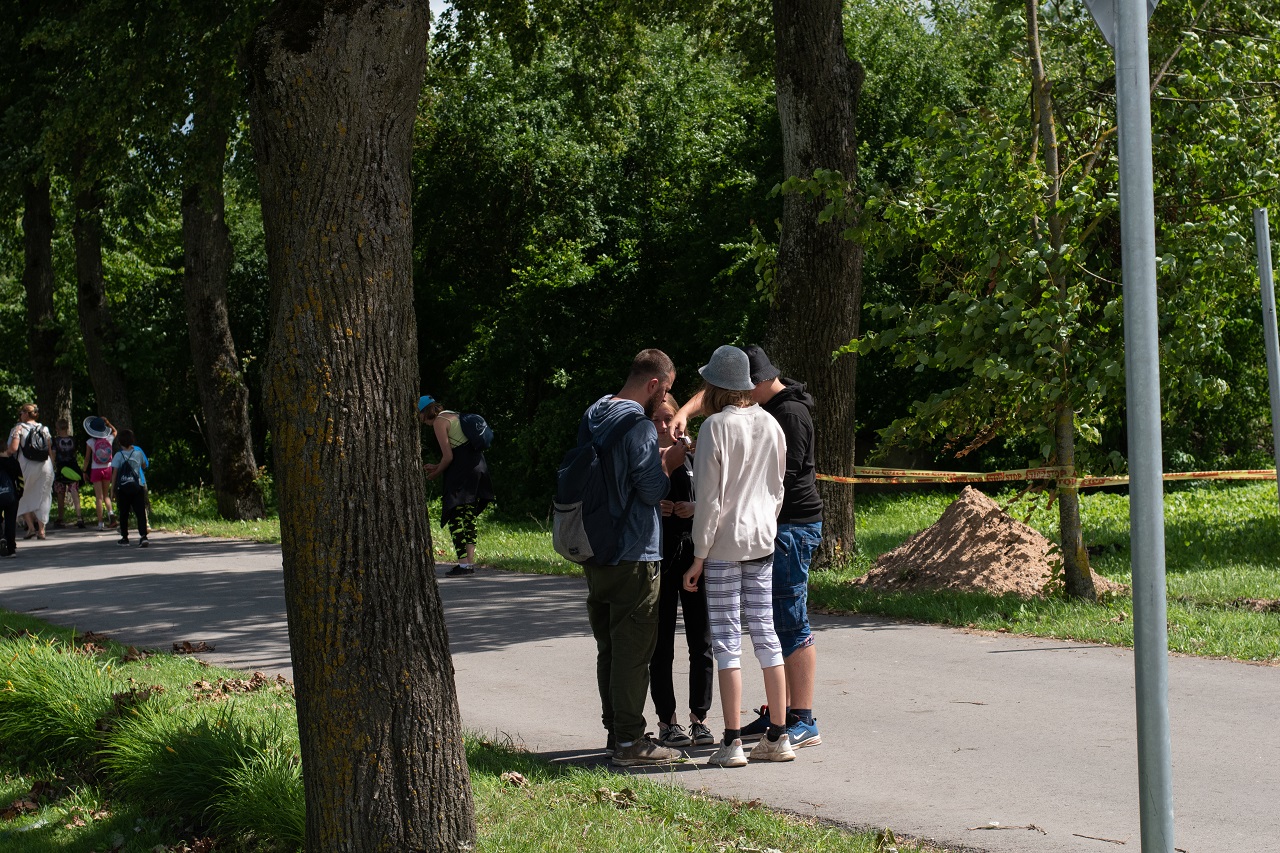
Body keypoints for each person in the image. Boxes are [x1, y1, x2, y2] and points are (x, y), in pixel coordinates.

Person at [671, 344, 824, 749]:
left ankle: (735, 740)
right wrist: (764, 526)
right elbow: (775, 490)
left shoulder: (719, 427)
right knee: (767, 634)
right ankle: (779, 732)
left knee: (732, 639)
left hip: (732, 543)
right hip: (765, 539)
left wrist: (699, 556)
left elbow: (711, 501)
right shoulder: (771, 421)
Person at [576, 348, 686, 767]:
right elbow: (651, 490)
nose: (665, 399)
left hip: (594, 547)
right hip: (634, 552)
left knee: (609, 646)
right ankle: (630, 741)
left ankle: (615, 732)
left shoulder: (595, 411)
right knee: (633, 651)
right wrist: (669, 463)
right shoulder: (639, 426)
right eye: (666, 390)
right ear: (654, 384)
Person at [648, 393, 714, 749]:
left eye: (667, 419)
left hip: (693, 556)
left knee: (700, 642)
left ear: (679, 420)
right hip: (656, 557)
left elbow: (716, 498)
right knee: (661, 645)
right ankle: (667, 721)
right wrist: (652, 506)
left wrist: (694, 507)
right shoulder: (644, 457)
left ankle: (699, 718)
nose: (662, 426)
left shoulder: (693, 454)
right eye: (655, 420)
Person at [418, 395, 495, 576]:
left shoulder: (439, 422)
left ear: (424, 412)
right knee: (469, 516)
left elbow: (449, 457)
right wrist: (438, 466)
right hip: (477, 466)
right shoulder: (452, 414)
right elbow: (456, 449)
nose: (420, 420)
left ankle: (462, 564)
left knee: (454, 515)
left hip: (462, 470)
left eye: (418, 415)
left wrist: (435, 473)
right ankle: (469, 564)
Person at [7, 404, 53, 540]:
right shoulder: (44, 429)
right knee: (43, 495)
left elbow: (13, 449)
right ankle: (42, 530)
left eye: (21, 413)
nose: (20, 415)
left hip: (26, 466)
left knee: (22, 495)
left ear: (26, 414)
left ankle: (31, 528)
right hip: (45, 466)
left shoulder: (19, 428)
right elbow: (49, 449)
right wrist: (53, 465)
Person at [110, 429, 150, 548]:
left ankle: (125, 537)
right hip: (137, 486)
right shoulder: (138, 453)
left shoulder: (118, 455)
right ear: (132, 441)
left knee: (124, 513)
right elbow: (144, 465)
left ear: (120, 442)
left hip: (123, 488)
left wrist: (112, 490)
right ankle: (143, 536)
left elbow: (114, 473)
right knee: (140, 512)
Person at [83, 416, 117, 531]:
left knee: (99, 497)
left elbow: (87, 458)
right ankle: (111, 514)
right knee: (106, 495)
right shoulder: (109, 439)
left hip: (96, 469)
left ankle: (100, 523)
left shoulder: (90, 442)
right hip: (107, 468)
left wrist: (84, 471)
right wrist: (108, 422)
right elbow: (115, 431)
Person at [52, 419, 85, 529]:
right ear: (67, 427)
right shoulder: (73, 440)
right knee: (75, 492)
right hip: (73, 468)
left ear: (57, 429)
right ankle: (79, 517)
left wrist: (52, 466)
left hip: (61, 469)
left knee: (60, 493)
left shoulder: (55, 441)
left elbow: (53, 455)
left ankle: (61, 518)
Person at [0, 456, 18, 557]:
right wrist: (18, 494)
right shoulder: (13, 462)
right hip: (11, 495)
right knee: (10, 521)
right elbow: (20, 479)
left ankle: (1, 537)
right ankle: (11, 548)